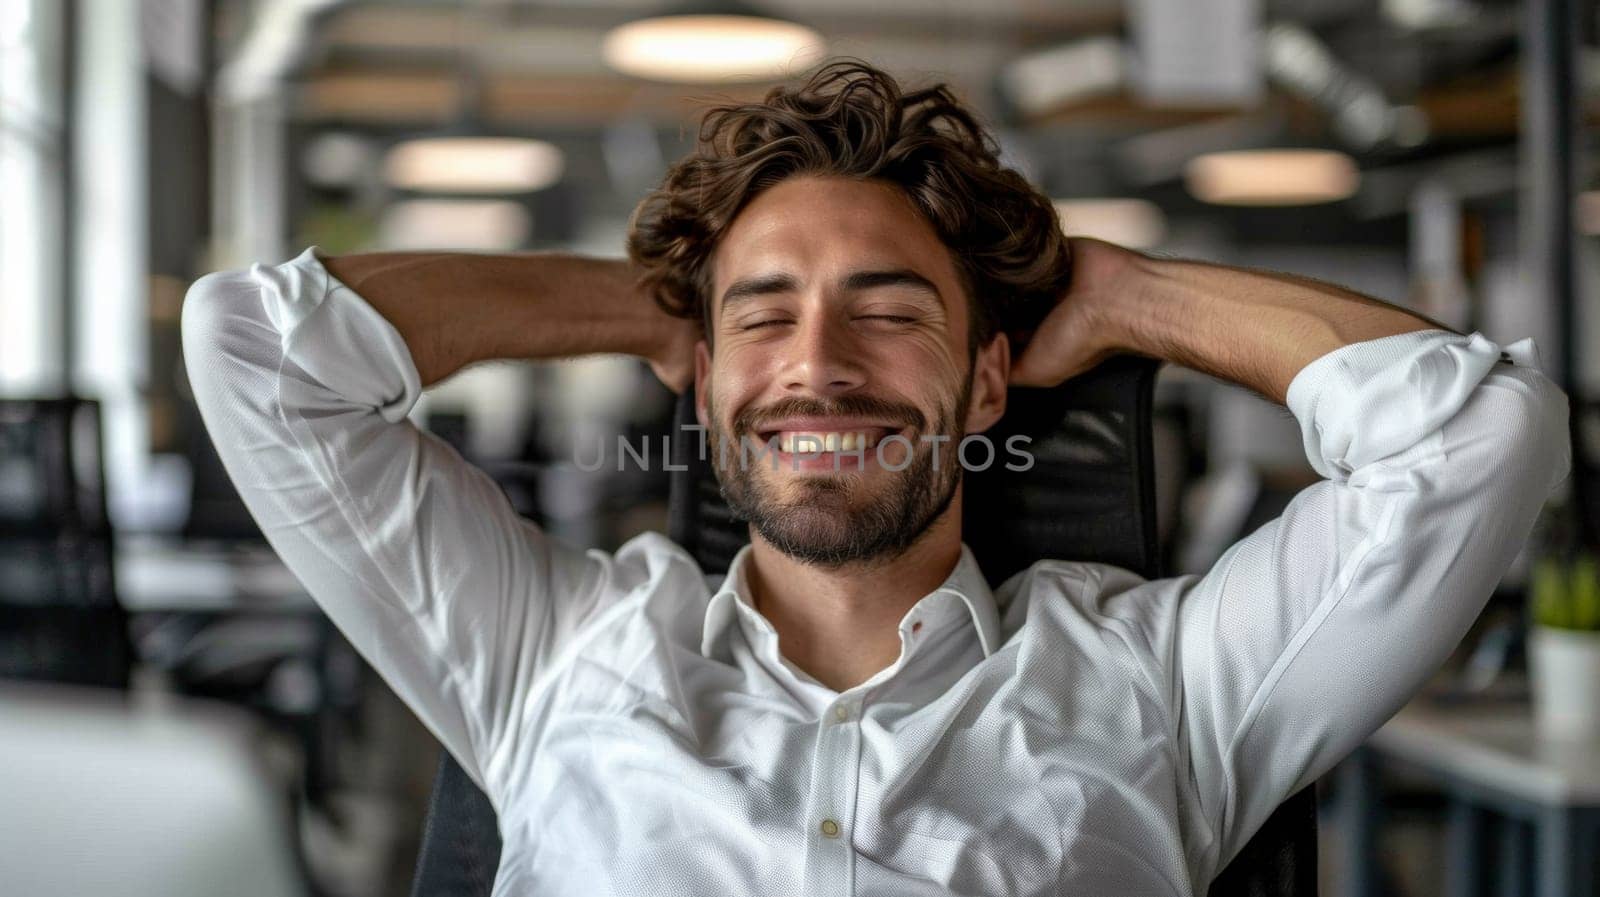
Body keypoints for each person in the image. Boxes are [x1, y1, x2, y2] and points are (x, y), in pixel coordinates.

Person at [183, 59, 1570, 896]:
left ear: (984, 384)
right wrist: (646, 305)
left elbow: (1478, 435)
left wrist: (1136, 296)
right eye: (767, 314)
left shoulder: (1169, 682)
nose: (820, 363)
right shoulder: (551, 653)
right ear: (710, 381)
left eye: (892, 309)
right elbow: (252, 348)